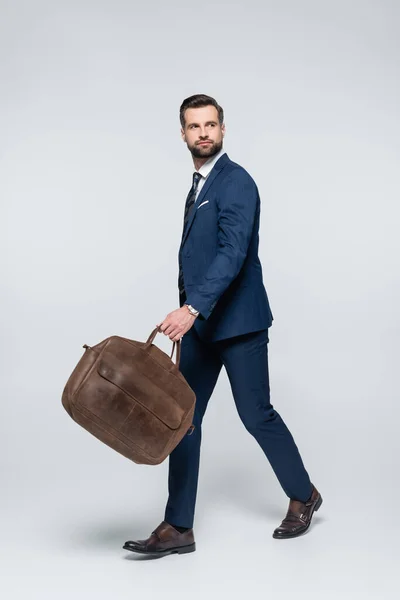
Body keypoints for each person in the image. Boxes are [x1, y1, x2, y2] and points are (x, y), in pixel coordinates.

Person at [123, 94, 322, 557]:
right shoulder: (197, 186)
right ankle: (178, 527)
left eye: (211, 124)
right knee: (182, 420)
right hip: (202, 328)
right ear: (183, 134)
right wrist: (191, 314)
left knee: (256, 415)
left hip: (238, 325)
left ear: (223, 129)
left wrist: (189, 310)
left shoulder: (236, 183)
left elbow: (232, 255)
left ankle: (305, 494)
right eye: (195, 127)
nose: (204, 133)